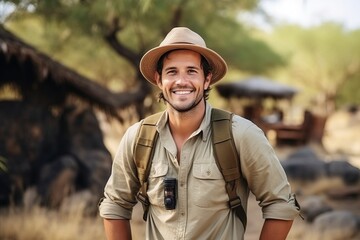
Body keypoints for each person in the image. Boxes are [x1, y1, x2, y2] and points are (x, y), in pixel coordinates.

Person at [99, 27, 300, 240]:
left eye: (192, 71)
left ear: (207, 79)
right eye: (172, 71)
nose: (181, 81)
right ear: (159, 80)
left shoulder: (241, 134)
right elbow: (115, 204)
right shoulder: (137, 138)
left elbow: (280, 204)